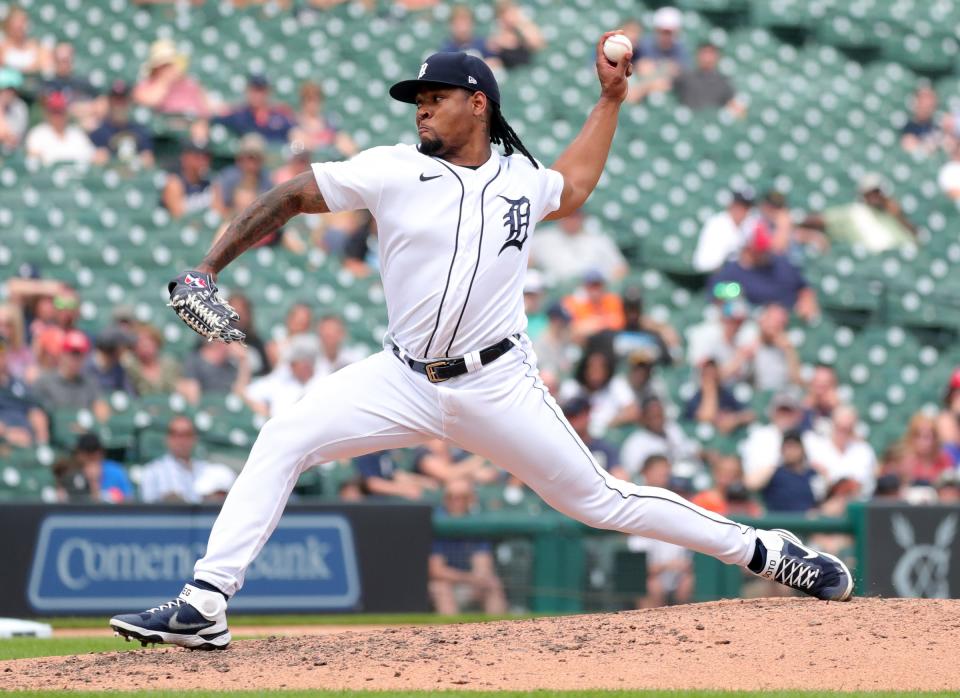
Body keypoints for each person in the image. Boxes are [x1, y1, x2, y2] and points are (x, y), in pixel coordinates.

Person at [111, 43, 851, 651]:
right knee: (284, 435)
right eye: (418, 97)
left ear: (478, 103)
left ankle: (765, 551)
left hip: (498, 385)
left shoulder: (523, 182)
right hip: (399, 376)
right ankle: (205, 602)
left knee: (601, 501)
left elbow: (580, 181)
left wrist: (611, 101)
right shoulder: (392, 168)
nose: (422, 106)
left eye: (435, 94)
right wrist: (208, 267)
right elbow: (289, 196)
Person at [429, 479, 508, 615]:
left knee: (492, 583)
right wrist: (469, 578)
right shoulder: (437, 521)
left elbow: (483, 564)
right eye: (451, 497)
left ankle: (501, 634)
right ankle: (452, 635)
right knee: (441, 588)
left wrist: (480, 577)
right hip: (441, 585)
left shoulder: (474, 523)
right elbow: (436, 571)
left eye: (461, 497)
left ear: (471, 499)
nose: (456, 501)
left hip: (467, 584)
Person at [707, 225, 819, 321]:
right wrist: (735, 293)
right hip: (753, 323)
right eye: (760, 249)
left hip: (790, 318)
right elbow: (716, 292)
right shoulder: (732, 270)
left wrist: (807, 301)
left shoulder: (780, 262)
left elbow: (804, 287)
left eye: (765, 248)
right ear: (748, 248)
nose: (764, 253)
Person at [627, 455, 694, 608]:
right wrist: (667, 566)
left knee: (688, 581)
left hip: (678, 576)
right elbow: (639, 566)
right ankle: (650, 628)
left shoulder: (678, 509)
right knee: (652, 585)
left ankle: (692, 627)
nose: (665, 477)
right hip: (653, 576)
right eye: (660, 472)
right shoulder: (639, 503)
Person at [799, 173, 917, 254]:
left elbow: (914, 241)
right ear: (864, 194)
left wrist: (899, 216)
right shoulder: (854, 211)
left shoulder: (891, 218)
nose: (876, 197)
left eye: (879, 193)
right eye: (872, 192)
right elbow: (818, 220)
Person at [139, 416, 237, 503]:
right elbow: (148, 509)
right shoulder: (152, 471)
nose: (182, 441)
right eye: (177, 435)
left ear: (194, 439)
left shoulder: (206, 469)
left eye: (188, 435)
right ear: (168, 439)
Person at [740, 386, 813, 491]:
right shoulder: (760, 436)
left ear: (798, 414)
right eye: (781, 411)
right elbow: (752, 481)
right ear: (772, 413)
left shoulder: (808, 437)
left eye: (789, 411)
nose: (784, 415)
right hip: (770, 493)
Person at [529, 208, 627, 283]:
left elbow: (621, 269)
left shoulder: (599, 241)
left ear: (582, 218)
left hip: (589, 295)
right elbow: (524, 260)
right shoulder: (543, 238)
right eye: (567, 216)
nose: (571, 220)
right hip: (553, 295)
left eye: (575, 216)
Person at [32, 329, 109, 422]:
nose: (76, 359)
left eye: (80, 354)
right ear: (62, 353)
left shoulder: (89, 383)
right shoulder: (44, 382)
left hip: (85, 433)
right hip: (56, 434)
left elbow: (102, 412)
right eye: (72, 353)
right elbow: (38, 414)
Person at [725, 303, 802, 392]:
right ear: (762, 320)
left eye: (779, 323)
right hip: (755, 395)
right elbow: (729, 373)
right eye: (771, 320)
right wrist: (744, 356)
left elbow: (797, 381)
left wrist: (789, 351)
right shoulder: (749, 337)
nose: (773, 326)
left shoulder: (788, 345)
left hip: (781, 395)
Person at [803, 405, 877, 496]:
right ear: (833, 423)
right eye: (840, 427)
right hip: (822, 504)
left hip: (854, 503)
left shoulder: (864, 450)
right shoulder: (814, 445)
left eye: (847, 428)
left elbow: (865, 484)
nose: (843, 431)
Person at [620, 396, 699, 478]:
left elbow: (688, 450)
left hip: (679, 478)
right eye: (653, 417)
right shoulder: (635, 443)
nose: (658, 421)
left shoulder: (672, 429)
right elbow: (635, 475)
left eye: (660, 416)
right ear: (643, 418)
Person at [244, 335, 321, 417]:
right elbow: (247, 393)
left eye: (294, 363)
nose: (290, 367)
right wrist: (261, 408)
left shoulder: (322, 383)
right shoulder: (284, 379)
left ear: (306, 364)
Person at [133, 38, 213, 117]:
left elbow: (206, 110)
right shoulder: (146, 85)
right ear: (157, 68)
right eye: (164, 66)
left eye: (171, 65)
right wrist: (164, 82)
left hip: (190, 123)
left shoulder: (191, 83)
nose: (169, 69)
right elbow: (150, 101)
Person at [89, 80, 155, 167]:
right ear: (109, 103)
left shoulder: (140, 130)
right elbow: (98, 161)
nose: (119, 105)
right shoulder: (99, 132)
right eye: (115, 100)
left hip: (134, 176)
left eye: (122, 101)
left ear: (129, 102)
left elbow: (148, 160)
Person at [213, 74, 295, 143]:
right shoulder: (240, 115)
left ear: (268, 92)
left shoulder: (279, 114)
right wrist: (203, 124)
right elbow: (215, 118)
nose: (257, 95)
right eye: (254, 90)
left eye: (260, 90)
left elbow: (295, 129)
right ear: (247, 91)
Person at [630, 6, 688, 101]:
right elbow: (639, 68)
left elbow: (673, 80)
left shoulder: (680, 50)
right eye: (663, 32)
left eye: (669, 32)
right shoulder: (644, 44)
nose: (666, 36)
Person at [682, 358, 754, 435]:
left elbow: (750, 415)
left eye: (714, 373)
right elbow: (706, 417)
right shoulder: (695, 398)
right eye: (707, 375)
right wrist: (710, 391)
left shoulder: (725, 394)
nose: (712, 378)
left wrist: (735, 419)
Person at [0, 336, 49, 447]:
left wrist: (42, 440)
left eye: (2, 350)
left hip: (28, 440)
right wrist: (7, 433)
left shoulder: (17, 384)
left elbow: (35, 411)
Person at [691, 189, 755, 273]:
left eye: (746, 207)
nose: (742, 211)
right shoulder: (718, 223)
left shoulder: (746, 226)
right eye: (739, 206)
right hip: (708, 274)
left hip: (729, 274)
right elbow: (714, 263)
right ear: (731, 205)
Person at [41, 43, 103, 131]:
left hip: (87, 125)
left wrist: (87, 109)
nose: (63, 65)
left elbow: (101, 103)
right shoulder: (49, 84)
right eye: (59, 60)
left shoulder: (82, 81)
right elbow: (56, 109)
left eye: (66, 60)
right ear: (54, 61)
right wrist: (81, 110)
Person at [211, 133, 273, 220]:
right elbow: (218, 208)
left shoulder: (266, 179)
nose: (251, 165)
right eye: (249, 158)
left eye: (256, 159)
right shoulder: (229, 177)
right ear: (240, 159)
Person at [24, 91, 96, 166]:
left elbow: (93, 155)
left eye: (60, 111)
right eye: (54, 111)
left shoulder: (77, 133)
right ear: (47, 113)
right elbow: (32, 160)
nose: (58, 116)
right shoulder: (37, 134)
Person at [562, 396, 625, 479]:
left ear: (587, 415)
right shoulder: (561, 448)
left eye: (576, 414)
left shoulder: (604, 448)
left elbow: (620, 476)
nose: (573, 420)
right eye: (569, 416)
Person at [760, 431, 823, 513]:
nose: (790, 452)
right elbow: (752, 484)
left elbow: (820, 500)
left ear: (802, 449)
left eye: (794, 447)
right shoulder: (775, 473)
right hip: (779, 522)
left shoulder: (812, 474)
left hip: (807, 523)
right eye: (787, 448)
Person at [673, 42, 743, 116]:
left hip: (714, 122)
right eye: (704, 53)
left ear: (717, 57)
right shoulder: (686, 77)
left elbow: (735, 105)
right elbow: (667, 86)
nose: (707, 57)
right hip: (687, 119)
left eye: (710, 54)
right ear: (698, 55)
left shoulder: (723, 81)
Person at [291, 81, 356, 157]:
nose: (313, 103)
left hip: (329, 155)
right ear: (303, 101)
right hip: (307, 160)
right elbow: (299, 144)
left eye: (317, 99)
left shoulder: (329, 121)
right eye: (310, 99)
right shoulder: (295, 121)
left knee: (344, 140)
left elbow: (345, 142)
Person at [121, 322, 183, 397]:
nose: (145, 345)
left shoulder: (170, 365)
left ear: (157, 343)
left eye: (149, 340)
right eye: (140, 341)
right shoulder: (130, 367)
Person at [562, 269, 626, 340]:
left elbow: (619, 322)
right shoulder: (577, 302)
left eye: (597, 285)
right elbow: (574, 328)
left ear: (603, 285)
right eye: (591, 286)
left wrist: (594, 322)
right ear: (585, 287)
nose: (595, 290)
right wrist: (603, 321)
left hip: (609, 340)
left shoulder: (612, 300)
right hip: (587, 342)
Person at [690, 454, 761, 517]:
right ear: (715, 473)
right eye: (724, 473)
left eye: (734, 474)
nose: (728, 478)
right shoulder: (702, 500)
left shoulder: (746, 503)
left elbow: (757, 519)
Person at [73, 432, 133, 503]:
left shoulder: (116, 471)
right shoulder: (72, 474)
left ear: (101, 452)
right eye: (87, 453)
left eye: (93, 451)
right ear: (79, 455)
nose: (91, 456)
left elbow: (129, 500)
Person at [412, 438, 499, 485]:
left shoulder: (456, 455)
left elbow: (486, 475)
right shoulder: (422, 453)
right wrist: (481, 457)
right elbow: (447, 474)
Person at [486, 0, 544, 70]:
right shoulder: (498, 33)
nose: (511, 17)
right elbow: (492, 48)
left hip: (527, 67)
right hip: (507, 70)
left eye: (513, 13)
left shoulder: (526, 28)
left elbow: (537, 44)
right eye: (507, 14)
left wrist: (521, 26)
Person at [161, 141, 213, 219]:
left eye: (206, 157)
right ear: (185, 158)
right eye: (197, 157)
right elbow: (178, 219)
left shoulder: (211, 183)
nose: (203, 161)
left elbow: (219, 214)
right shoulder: (174, 183)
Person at [898, 412, 952, 486]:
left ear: (935, 438)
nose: (923, 442)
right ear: (911, 437)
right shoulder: (904, 461)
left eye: (928, 437)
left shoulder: (944, 460)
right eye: (918, 436)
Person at [0, 5, 51, 75]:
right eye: (16, 21)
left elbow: (45, 66)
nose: (20, 25)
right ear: (9, 24)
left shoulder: (37, 47)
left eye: (23, 21)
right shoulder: (2, 47)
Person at [900, 85, 939, 155]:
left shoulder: (938, 125)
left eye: (930, 101)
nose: (927, 105)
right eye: (923, 100)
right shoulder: (907, 125)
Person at [0, 67, 27, 153]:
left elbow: (13, 138)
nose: (7, 93)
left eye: (10, 90)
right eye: (3, 89)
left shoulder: (20, 108)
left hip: (13, 153)